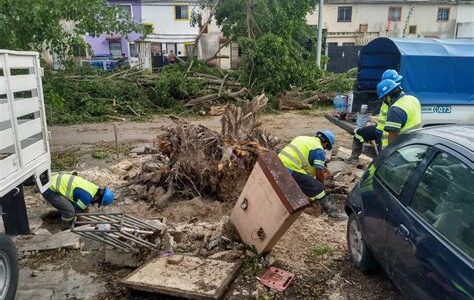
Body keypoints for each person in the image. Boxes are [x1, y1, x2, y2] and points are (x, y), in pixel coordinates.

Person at [278, 130, 347, 220]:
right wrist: (321, 184)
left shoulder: (302, 138)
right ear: (325, 144)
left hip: (277, 162)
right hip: (289, 168)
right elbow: (319, 172)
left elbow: (303, 159)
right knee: (318, 188)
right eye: (326, 147)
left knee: (306, 182)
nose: (325, 149)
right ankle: (333, 214)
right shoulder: (319, 150)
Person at [346, 69, 403, 164]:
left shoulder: (393, 100)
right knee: (358, 134)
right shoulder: (391, 98)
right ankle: (354, 158)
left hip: (384, 133)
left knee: (382, 160)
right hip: (379, 129)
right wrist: (373, 120)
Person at [42, 173, 115, 229]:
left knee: (78, 207)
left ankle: (62, 216)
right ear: (98, 197)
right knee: (70, 212)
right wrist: (84, 223)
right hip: (49, 189)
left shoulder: (93, 188)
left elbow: (82, 207)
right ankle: (66, 229)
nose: (94, 203)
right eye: (97, 202)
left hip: (52, 181)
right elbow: (77, 210)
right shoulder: (87, 197)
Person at [377, 79, 422, 146]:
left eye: (384, 99)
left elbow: (393, 140)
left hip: (403, 149)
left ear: (388, 97)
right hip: (417, 143)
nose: (384, 102)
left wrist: (388, 154)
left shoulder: (395, 110)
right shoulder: (413, 99)